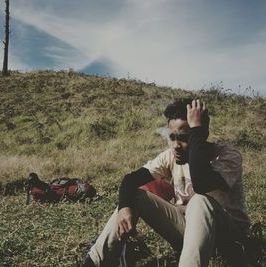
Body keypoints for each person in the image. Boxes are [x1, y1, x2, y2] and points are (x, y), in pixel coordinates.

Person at [81, 99, 251, 267]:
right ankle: (95, 262)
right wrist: (125, 208)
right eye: (172, 137)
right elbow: (130, 180)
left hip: (230, 240)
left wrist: (197, 130)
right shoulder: (171, 156)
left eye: (185, 138)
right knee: (135, 195)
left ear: (200, 135)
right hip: (190, 235)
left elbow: (200, 184)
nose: (176, 145)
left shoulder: (227, 156)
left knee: (200, 200)